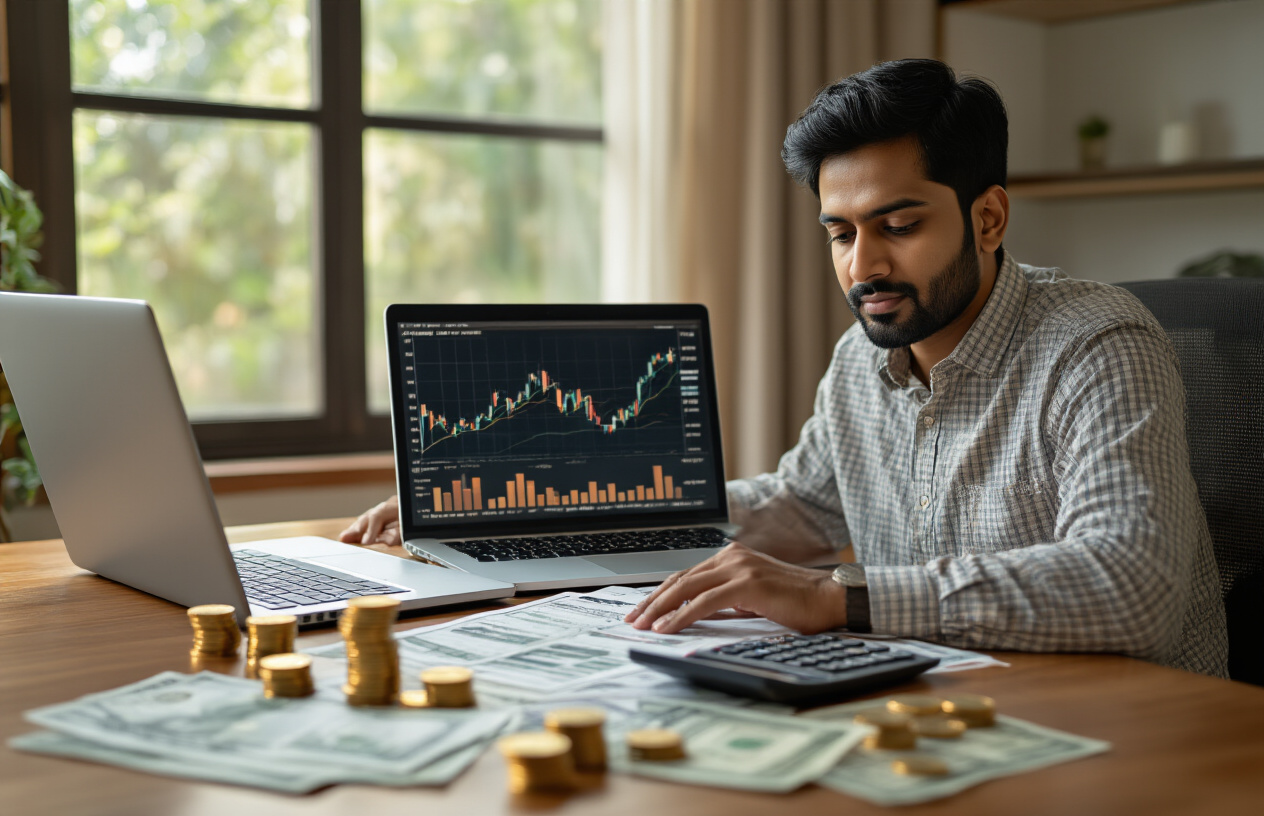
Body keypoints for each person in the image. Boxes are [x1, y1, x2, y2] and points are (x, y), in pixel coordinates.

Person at [343, 59, 1227, 677]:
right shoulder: (861, 362)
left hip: (1132, 727)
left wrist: (838, 597)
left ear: (988, 218)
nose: (862, 266)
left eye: (899, 224)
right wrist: (518, 501)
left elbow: (1129, 583)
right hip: (957, 703)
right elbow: (796, 510)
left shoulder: (1098, 343)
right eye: (841, 233)